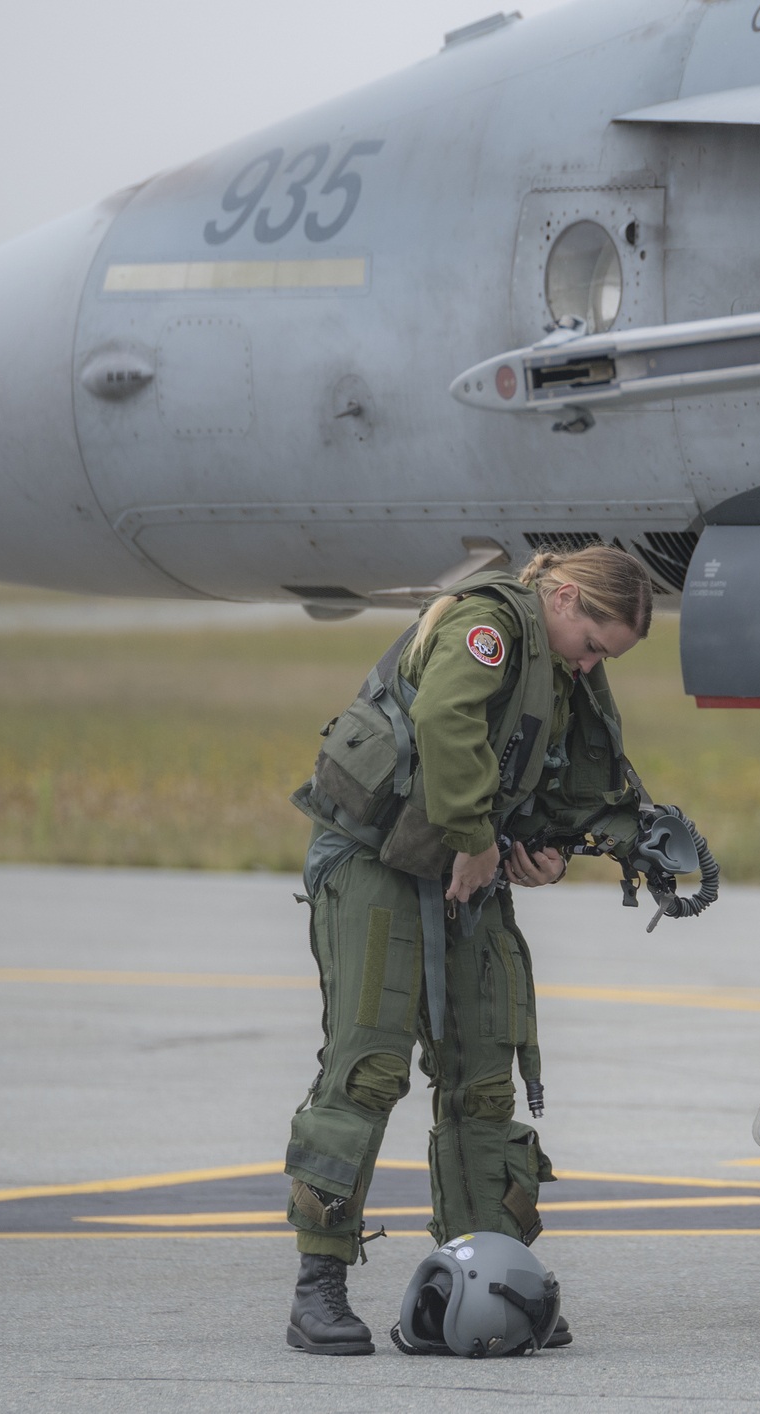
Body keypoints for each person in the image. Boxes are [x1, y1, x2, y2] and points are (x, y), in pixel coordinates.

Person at [280, 544, 654, 1356]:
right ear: (563, 597)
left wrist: (537, 853)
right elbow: (446, 722)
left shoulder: (557, 670)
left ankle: (489, 1277)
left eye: (605, 658)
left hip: (456, 864)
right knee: (367, 1067)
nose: (592, 666)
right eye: (593, 645)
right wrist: (478, 839)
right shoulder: (487, 626)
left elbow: (529, 778)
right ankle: (319, 1286)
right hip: (377, 861)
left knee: (483, 1077)